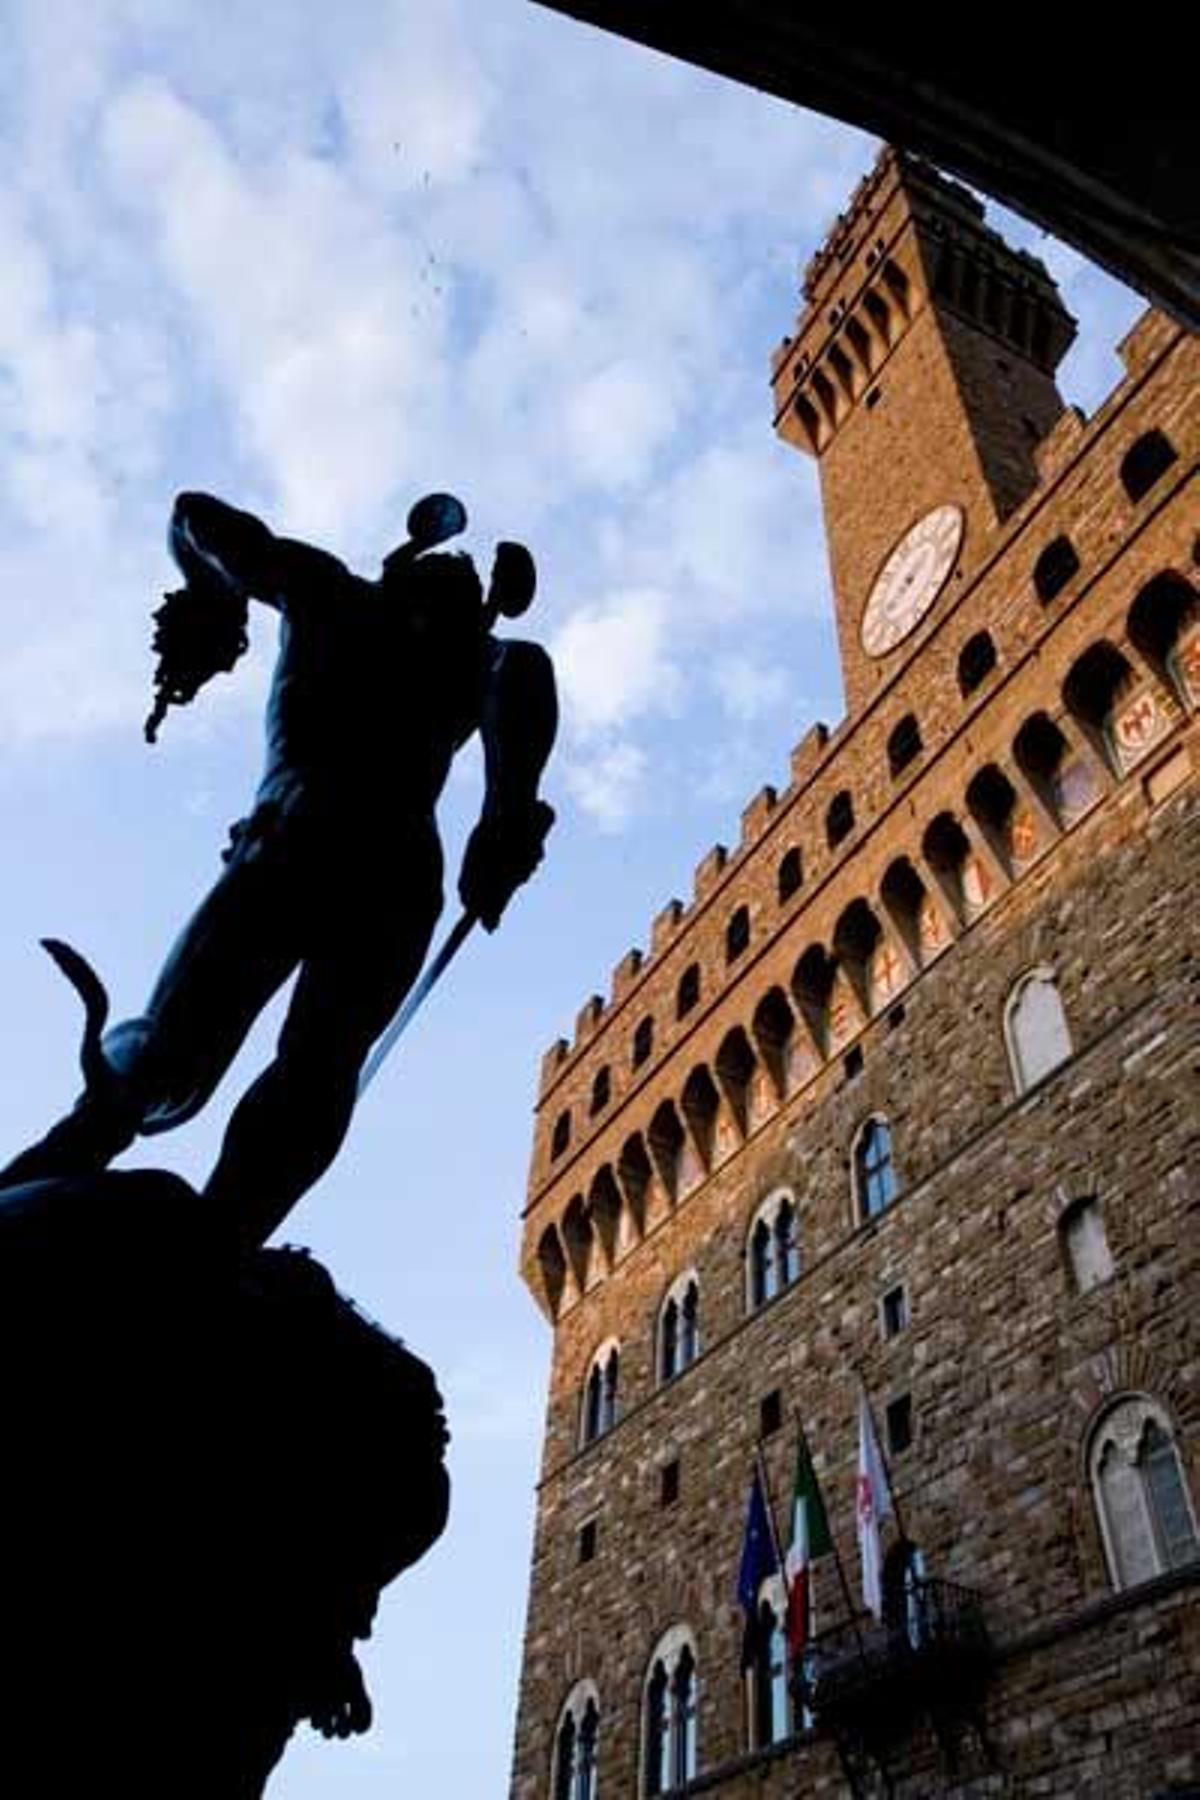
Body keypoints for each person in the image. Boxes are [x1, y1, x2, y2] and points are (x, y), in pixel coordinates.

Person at [1, 490, 557, 1246]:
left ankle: (199, 1227)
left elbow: (195, 518)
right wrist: (504, 820)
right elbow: (195, 517)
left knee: (284, 1066)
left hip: (318, 846)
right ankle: (183, 1213)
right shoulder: (352, 603)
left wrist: (504, 818)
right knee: (239, 1061)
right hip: (347, 855)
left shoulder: (350, 603)